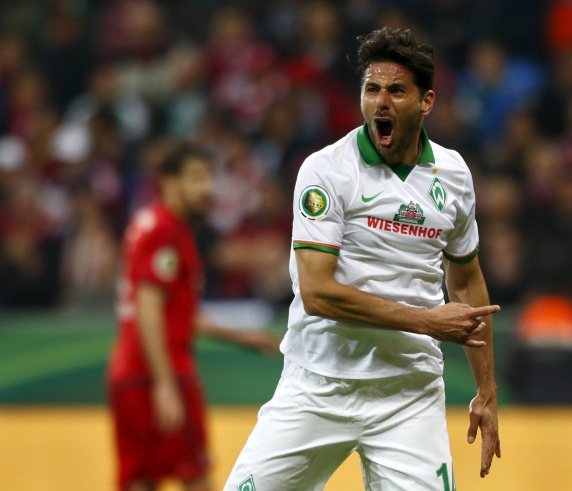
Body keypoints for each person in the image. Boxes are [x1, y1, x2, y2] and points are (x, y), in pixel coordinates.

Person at [224, 27, 501, 490]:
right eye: (372, 89)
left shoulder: (453, 174)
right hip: (320, 383)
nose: (381, 102)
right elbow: (317, 294)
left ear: (426, 102)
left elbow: (468, 282)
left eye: (396, 90)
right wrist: (428, 322)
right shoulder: (326, 170)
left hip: (408, 391)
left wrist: (486, 392)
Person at [107, 143, 279, 491]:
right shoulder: (166, 230)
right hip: (162, 372)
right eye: (196, 178)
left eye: (209, 178)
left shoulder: (148, 223)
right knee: (195, 477)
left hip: (129, 374)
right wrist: (165, 382)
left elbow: (177, 313)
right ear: (168, 181)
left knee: (140, 480)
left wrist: (242, 338)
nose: (207, 188)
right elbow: (149, 307)